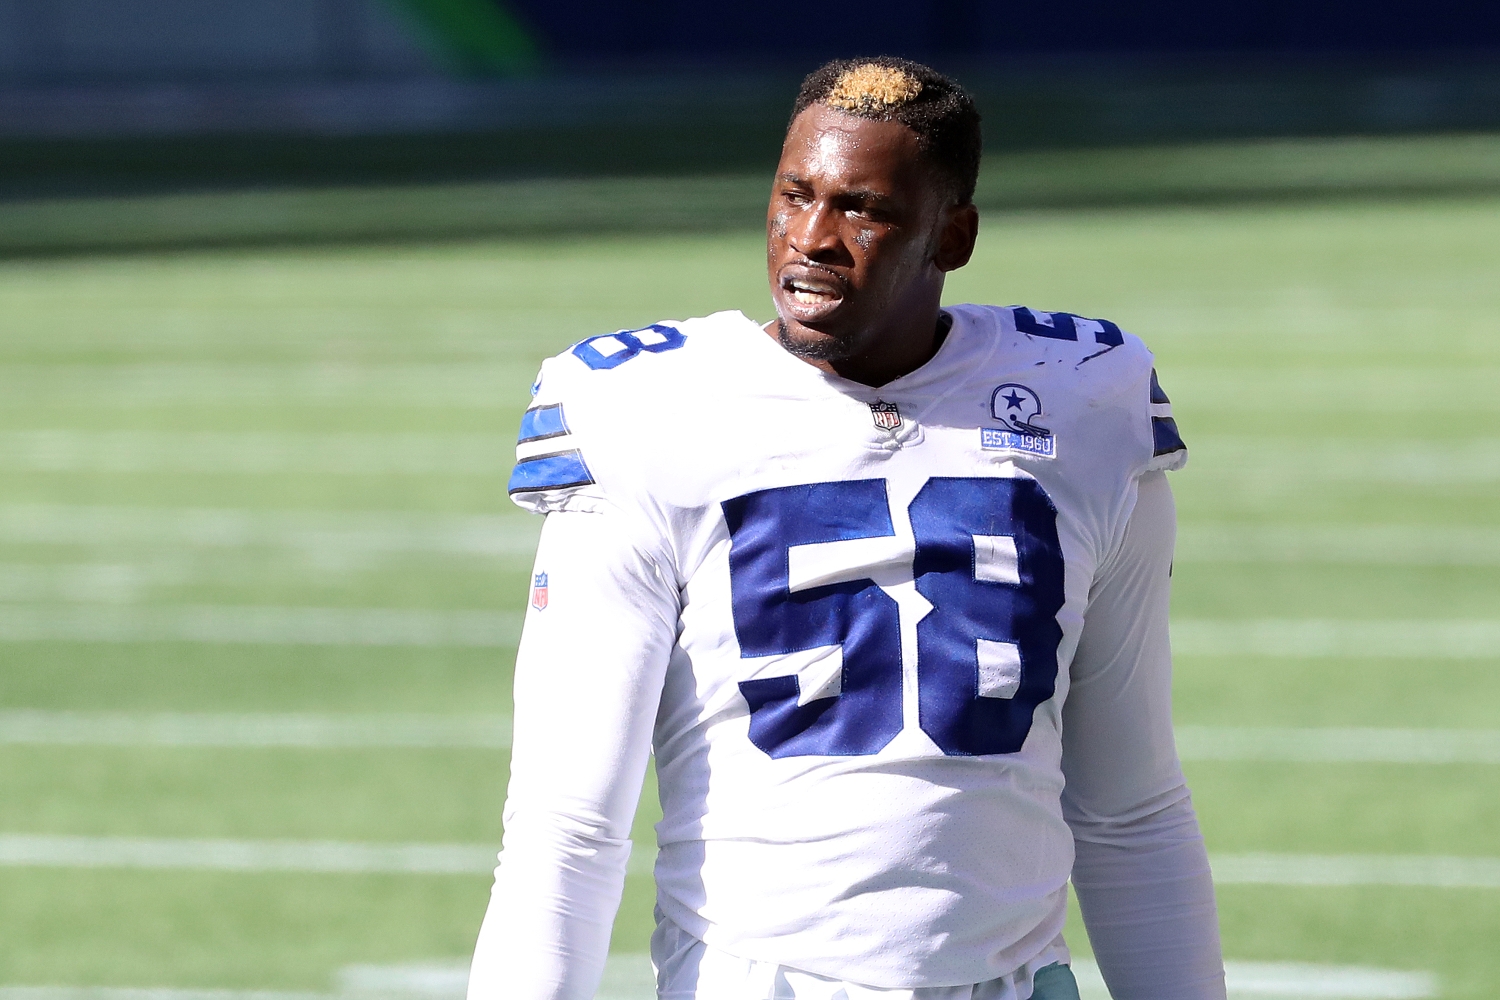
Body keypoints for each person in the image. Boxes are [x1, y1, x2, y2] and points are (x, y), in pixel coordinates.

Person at [469, 56, 1225, 1000]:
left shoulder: (1087, 403)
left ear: (955, 234)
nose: (813, 238)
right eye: (795, 196)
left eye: (862, 208)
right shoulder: (643, 409)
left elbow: (1131, 807)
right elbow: (567, 823)